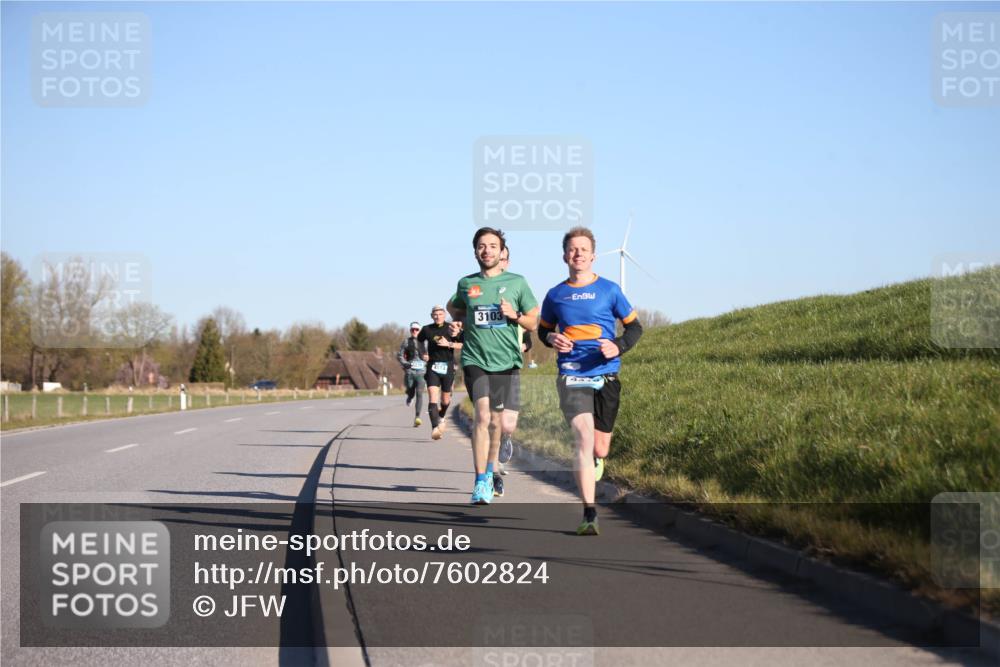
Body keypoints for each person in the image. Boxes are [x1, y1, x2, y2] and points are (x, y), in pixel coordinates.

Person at [538, 226, 643, 535]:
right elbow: (543, 331)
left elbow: (635, 328)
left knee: (600, 447)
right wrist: (553, 337)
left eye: (583, 249)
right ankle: (589, 513)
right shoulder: (555, 294)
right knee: (583, 439)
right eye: (572, 249)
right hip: (571, 373)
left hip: (606, 373)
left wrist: (619, 345)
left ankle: (596, 460)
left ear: (593, 256)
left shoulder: (610, 290)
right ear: (564, 256)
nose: (578, 253)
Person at [448, 227, 539, 505]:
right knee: (483, 416)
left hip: (506, 361)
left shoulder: (517, 282)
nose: (487, 250)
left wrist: (515, 315)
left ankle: (491, 469)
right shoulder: (466, 284)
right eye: (481, 246)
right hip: (475, 359)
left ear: (502, 252)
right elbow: (455, 308)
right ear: (475, 250)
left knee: (499, 422)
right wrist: (460, 324)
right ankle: (480, 481)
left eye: (492, 246)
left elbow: (534, 321)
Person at [495, 246, 532, 477]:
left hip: (511, 366)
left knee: (507, 424)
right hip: (485, 365)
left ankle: (505, 439)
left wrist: (524, 345)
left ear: (507, 261)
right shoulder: (477, 289)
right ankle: (491, 471)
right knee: (490, 419)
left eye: (504, 259)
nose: (500, 262)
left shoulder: (517, 290)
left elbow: (530, 331)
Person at [417, 305, 463, 440]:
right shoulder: (426, 329)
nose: (438, 317)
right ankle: (435, 428)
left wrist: (449, 344)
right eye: (435, 314)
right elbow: (419, 341)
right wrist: (422, 353)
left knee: (445, 399)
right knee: (432, 397)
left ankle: (441, 416)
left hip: (448, 366)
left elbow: (463, 344)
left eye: (440, 314)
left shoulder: (452, 328)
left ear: (444, 315)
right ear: (432, 316)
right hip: (432, 366)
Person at [397, 322, 427, 427]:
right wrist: (405, 364)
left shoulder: (426, 342)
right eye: (412, 330)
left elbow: (432, 355)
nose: (414, 331)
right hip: (410, 371)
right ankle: (410, 396)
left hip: (422, 372)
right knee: (410, 389)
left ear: (420, 331)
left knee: (419, 393)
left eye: (416, 329)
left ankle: (417, 417)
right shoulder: (406, 342)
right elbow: (400, 355)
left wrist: (429, 361)